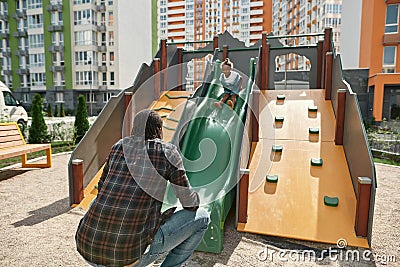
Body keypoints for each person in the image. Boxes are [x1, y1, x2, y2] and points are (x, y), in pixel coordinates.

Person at [75, 109, 210, 267]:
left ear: (135, 129)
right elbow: (190, 204)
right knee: (202, 218)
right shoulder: (168, 152)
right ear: (159, 130)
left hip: (87, 248)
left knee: (99, 200)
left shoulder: (119, 146)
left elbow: (102, 187)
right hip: (127, 258)